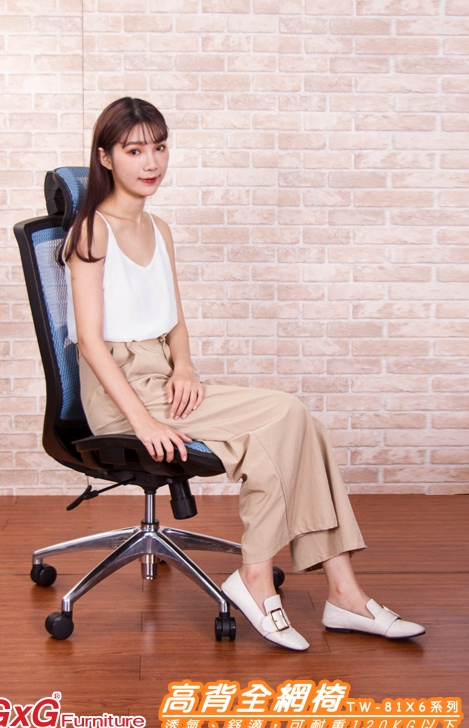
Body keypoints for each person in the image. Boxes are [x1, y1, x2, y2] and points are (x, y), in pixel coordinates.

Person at [61, 97, 425, 651]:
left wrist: (186, 366)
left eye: (159, 147)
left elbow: (175, 318)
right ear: (106, 158)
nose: (151, 162)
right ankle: (259, 576)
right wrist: (143, 422)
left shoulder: (159, 227)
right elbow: (90, 343)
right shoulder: (92, 231)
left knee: (298, 429)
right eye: (134, 151)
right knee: (286, 415)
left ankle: (344, 595)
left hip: (164, 375)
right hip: (122, 391)